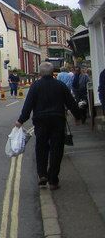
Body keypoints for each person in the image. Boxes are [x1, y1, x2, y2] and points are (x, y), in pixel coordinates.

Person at [15, 62, 79, 191]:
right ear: (52, 72)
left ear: (40, 73)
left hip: (41, 122)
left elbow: (28, 105)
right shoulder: (60, 85)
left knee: (41, 148)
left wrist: (21, 121)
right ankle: (53, 180)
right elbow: (71, 102)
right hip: (57, 121)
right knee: (57, 150)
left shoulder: (35, 87)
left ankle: (42, 175)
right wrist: (78, 116)